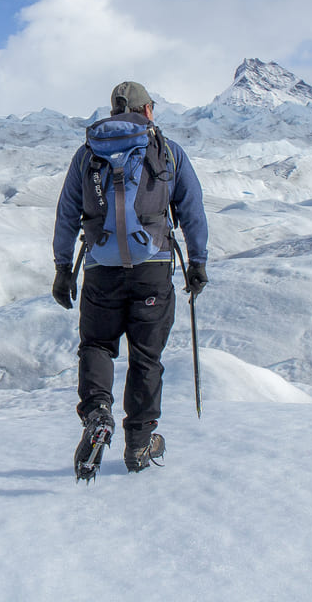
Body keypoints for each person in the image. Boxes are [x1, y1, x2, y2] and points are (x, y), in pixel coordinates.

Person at [52, 81, 208, 480]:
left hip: (101, 269)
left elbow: (68, 213)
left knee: (97, 345)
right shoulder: (168, 152)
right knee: (145, 356)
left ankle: (98, 412)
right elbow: (191, 209)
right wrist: (197, 262)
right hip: (152, 269)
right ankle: (138, 444)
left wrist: (62, 269)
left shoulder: (88, 153)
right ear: (148, 110)